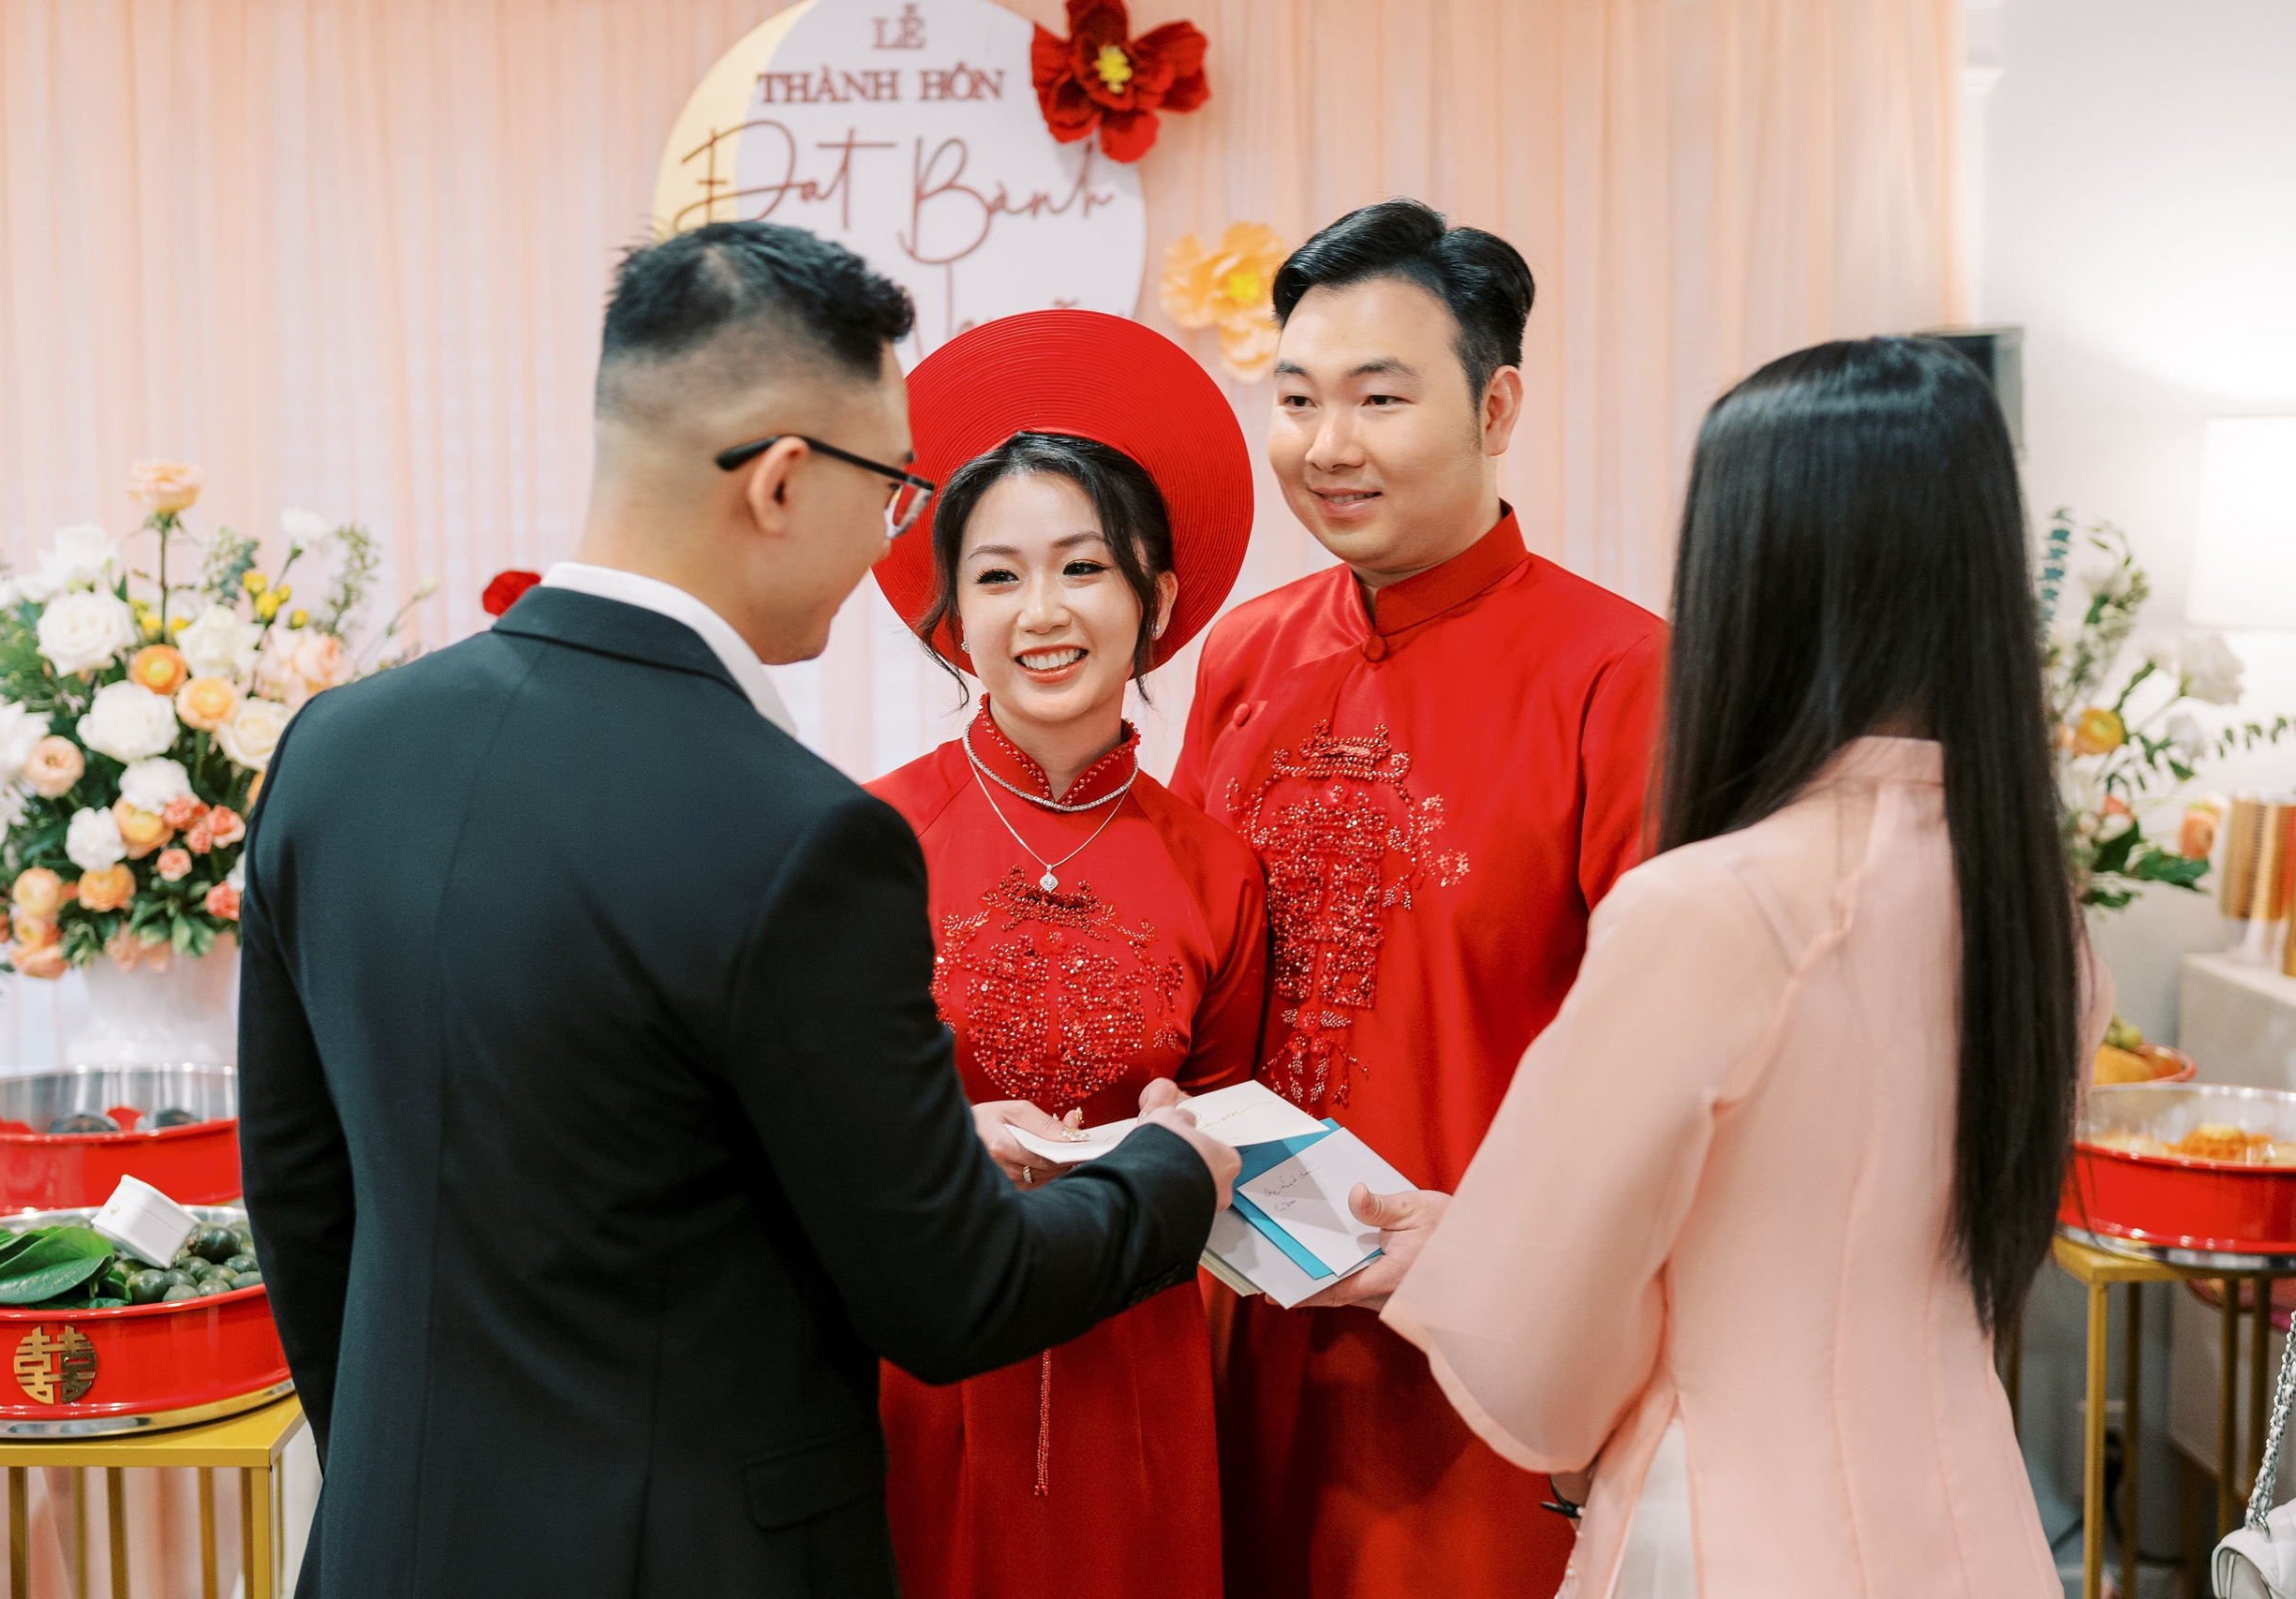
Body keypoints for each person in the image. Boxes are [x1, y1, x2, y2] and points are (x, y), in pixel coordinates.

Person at [236, 223, 1240, 1599]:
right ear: (781, 482)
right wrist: (1170, 1177)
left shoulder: (337, 751)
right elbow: (947, 1295)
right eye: (892, 488)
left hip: (394, 1543)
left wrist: (409, 1476)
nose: (897, 540)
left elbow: (302, 1195)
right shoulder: (802, 834)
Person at [1376, 337, 2109, 1597]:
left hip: (1727, 1534)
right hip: (1970, 1526)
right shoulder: (2039, 913)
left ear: (1748, 576)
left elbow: (1535, 1356)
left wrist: (1474, 1255)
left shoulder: (1714, 906)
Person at [1168, 199, 1664, 1596]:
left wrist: (1505, 1252)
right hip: (1244, 1328)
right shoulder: (1247, 656)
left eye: (1381, 398)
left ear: (1497, 405)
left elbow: (1668, 1075)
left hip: (1486, 1366)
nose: (1329, 446)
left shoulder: (1619, 677)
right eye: (1299, 398)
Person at [863, 310, 1268, 1599]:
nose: (1042, 612)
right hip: (911, 1369)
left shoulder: (1218, 870)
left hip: (1130, 1380)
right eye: (996, 576)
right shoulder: (865, 842)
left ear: (1153, 595)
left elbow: (1229, 1148)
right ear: (951, 616)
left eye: (1084, 568)